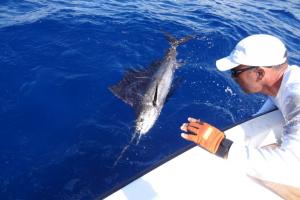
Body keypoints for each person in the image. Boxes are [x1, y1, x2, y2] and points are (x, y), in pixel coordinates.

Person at [180, 34, 300, 199]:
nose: (232, 77)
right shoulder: (284, 84)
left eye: (236, 72)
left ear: (259, 73)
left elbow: (290, 167)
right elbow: (266, 112)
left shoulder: (296, 96)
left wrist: (220, 145)